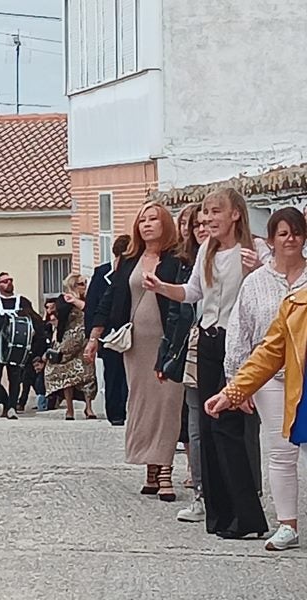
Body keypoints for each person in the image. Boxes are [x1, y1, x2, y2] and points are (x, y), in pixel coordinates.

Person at [143, 187, 270, 539]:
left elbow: (273, 289)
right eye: (205, 215)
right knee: (211, 430)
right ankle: (219, 514)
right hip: (209, 342)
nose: (208, 220)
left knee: (231, 430)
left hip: (239, 345)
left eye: (215, 212)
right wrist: (162, 287)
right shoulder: (207, 253)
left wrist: (258, 269)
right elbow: (193, 293)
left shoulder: (254, 251)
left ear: (234, 214)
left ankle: (247, 518)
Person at [219, 208, 307, 550]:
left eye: (297, 232)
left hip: (305, 376)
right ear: (270, 240)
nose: (290, 239)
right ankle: (287, 524)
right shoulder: (255, 282)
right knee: (280, 451)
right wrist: (238, 384)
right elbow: (243, 333)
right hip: (271, 377)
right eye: (283, 233)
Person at [86, 202, 186, 502]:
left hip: (167, 342)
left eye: (154, 219)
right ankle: (151, 465)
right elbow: (109, 298)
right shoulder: (130, 260)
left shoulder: (177, 260)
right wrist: (94, 336)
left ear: (165, 224)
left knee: (168, 403)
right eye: (142, 220)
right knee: (142, 404)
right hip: (136, 345)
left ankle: (166, 468)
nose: (147, 224)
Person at [170, 204, 209, 522]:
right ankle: (200, 492)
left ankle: (243, 492)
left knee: (233, 426)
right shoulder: (185, 264)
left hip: (228, 346)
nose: (200, 228)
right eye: (195, 223)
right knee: (195, 424)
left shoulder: (239, 258)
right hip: (196, 347)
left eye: (206, 222)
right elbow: (181, 305)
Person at [84, 234, 132, 426]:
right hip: (109, 335)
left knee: (130, 374)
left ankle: (130, 410)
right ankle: (116, 413)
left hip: (130, 331)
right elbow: (93, 305)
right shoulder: (101, 273)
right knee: (112, 373)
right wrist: (93, 337)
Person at [0, 271, 42, 420]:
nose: (8, 283)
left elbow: (34, 320)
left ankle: (11, 407)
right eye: (4, 281)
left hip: (18, 346)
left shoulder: (22, 301)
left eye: (10, 280)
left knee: (15, 378)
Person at [45, 274, 97, 420]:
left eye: (85, 283)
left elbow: (92, 311)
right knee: (67, 375)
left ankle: (89, 407)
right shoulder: (63, 299)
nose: (84, 286)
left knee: (88, 374)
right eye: (81, 283)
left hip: (85, 339)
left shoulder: (88, 299)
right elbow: (60, 315)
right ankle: (69, 409)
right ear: (74, 285)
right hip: (68, 341)